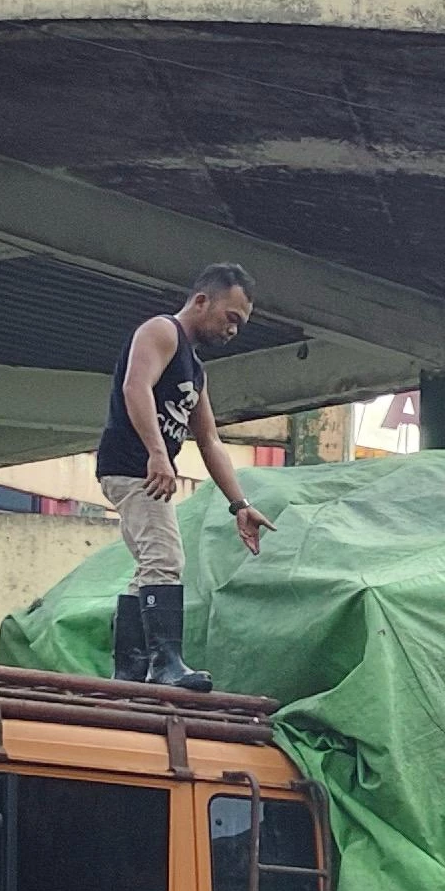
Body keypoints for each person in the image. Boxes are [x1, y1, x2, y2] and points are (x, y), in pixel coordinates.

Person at [97, 266, 273, 687]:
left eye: (241, 324)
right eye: (231, 317)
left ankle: (131, 670)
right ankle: (165, 665)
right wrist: (158, 454)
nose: (234, 330)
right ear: (201, 301)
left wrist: (240, 505)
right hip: (134, 466)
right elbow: (134, 387)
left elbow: (209, 440)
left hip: (146, 471)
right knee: (166, 559)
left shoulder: (194, 369)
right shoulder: (161, 332)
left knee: (150, 566)